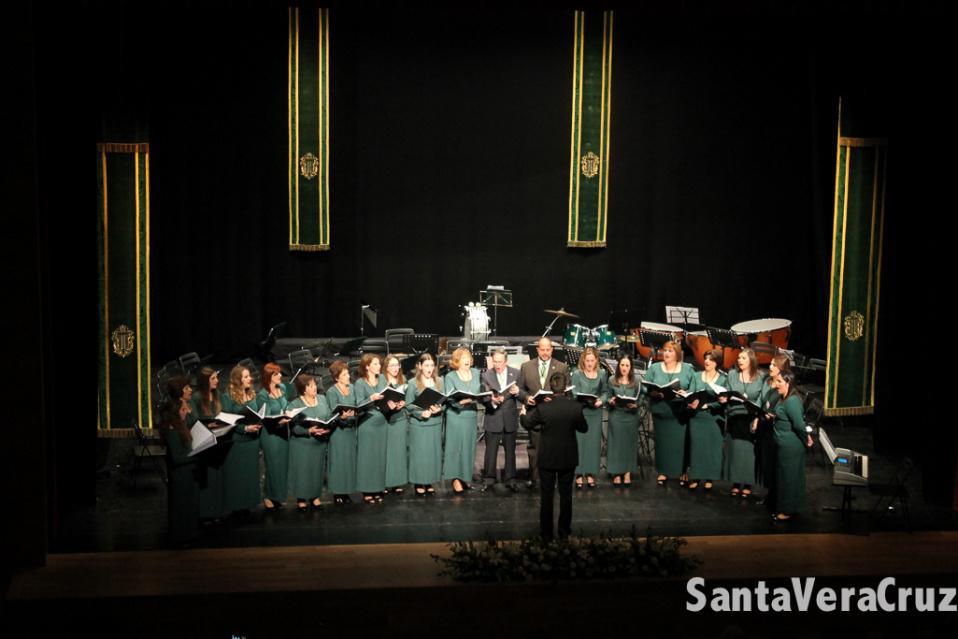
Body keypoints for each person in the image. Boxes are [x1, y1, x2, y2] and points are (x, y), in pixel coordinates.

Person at [520, 371, 588, 539]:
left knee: (547, 497)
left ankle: (546, 534)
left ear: (551, 387)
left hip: (548, 458)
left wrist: (522, 412)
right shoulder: (575, 407)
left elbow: (528, 423)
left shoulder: (543, 408)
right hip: (567, 457)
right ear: (566, 387)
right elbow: (583, 428)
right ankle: (564, 532)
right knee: (566, 496)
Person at [518, 337, 569, 488]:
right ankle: (534, 478)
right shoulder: (526, 366)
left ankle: (552, 480)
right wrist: (526, 398)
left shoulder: (561, 367)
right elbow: (520, 389)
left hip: (554, 415)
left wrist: (556, 398)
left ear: (552, 350)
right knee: (535, 447)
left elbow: (567, 391)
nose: (545, 352)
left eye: (548, 349)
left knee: (554, 448)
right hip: (535, 413)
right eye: (542, 349)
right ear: (538, 349)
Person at [642, 340, 695, 486]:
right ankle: (663, 471)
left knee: (680, 443)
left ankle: (682, 471)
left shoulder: (687, 368)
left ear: (677, 354)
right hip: (661, 411)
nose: (666, 353)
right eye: (665, 350)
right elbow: (645, 387)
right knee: (662, 444)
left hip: (679, 412)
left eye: (670, 351)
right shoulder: (655, 368)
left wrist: (686, 392)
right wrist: (652, 392)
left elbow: (694, 387)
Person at [160, 376, 199, 547]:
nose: (186, 412)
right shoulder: (172, 429)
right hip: (180, 474)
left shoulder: (180, 426)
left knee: (188, 505)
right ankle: (179, 537)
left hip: (188, 472)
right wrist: (196, 454)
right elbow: (177, 457)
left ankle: (189, 535)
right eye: (183, 410)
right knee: (180, 507)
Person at [722, 348, 766, 498]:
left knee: (748, 453)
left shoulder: (760, 377)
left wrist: (757, 417)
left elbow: (762, 397)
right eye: (739, 358)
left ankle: (747, 483)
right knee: (735, 451)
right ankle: (735, 482)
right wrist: (724, 398)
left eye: (744, 358)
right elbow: (727, 392)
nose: (740, 360)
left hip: (750, 417)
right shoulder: (732, 375)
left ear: (751, 361)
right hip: (735, 416)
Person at [770, 370, 813, 521]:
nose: (776, 385)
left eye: (779, 382)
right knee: (783, 477)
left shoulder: (792, 401)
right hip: (783, 445)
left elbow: (799, 425)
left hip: (791, 447)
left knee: (789, 478)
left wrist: (806, 438)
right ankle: (785, 506)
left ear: (788, 383)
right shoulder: (783, 398)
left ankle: (787, 510)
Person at [219, 365, 263, 515]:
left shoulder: (252, 394)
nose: (249, 379)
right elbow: (227, 419)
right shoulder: (228, 396)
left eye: (249, 376)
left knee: (250, 475)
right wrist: (244, 429)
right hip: (237, 441)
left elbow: (256, 413)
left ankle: (247, 505)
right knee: (237, 476)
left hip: (252, 441)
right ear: (238, 379)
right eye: (245, 377)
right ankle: (236, 506)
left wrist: (257, 424)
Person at [287, 373, 332, 512]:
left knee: (316, 471)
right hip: (303, 444)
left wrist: (327, 427)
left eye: (314, 385)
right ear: (304, 389)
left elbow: (329, 416)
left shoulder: (322, 399)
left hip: (319, 443)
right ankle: (301, 499)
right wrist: (309, 431)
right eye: (311, 386)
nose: (315, 388)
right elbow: (293, 427)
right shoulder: (295, 404)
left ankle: (314, 496)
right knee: (303, 471)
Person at [684, 350, 727, 492]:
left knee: (711, 449)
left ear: (717, 362)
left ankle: (709, 477)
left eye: (711, 359)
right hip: (697, 417)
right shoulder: (696, 376)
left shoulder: (723, 379)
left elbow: (724, 401)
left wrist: (709, 405)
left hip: (714, 417)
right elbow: (691, 392)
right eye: (706, 359)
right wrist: (691, 401)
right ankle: (696, 476)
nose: (707, 362)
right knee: (697, 448)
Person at [190, 366, 228, 523]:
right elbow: (194, 420)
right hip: (204, 442)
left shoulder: (218, 395)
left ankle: (216, 510)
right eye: (213, 379)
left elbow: (224, 413)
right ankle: (205, 513)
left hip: (218, 441)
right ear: (205, 381)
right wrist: (208, 425)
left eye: (216, 378)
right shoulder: (197, 397)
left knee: (216, 477)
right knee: (206, 478)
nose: (217, 381)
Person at [480, 348, 521, 491]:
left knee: (511, 451)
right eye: (495, 362)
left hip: (509, 417)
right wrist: (492, 401)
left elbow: (522, 394)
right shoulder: (486, 375)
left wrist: (518, 392)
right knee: (490, 450)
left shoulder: (515, 373)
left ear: (506, 361)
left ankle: (511, 479)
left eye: (500, 362)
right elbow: (483, 396)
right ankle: (489, 478)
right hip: (494, 416)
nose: (497, 365)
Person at [755, 353, 793, 506]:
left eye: (774, 365)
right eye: (770, 364)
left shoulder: (785, 387)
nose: (770, 367)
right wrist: (757, 416)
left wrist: (773, 415)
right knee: (765, 462)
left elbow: (783, 407)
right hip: (764, 425)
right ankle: (770, 493)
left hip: (775, 429)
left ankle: (777, 496)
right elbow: (761, 401)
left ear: (782, 369)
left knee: (774, 463)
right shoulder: (766, 381)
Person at [405, 353, 444, 496]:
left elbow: (444, 401)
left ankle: (429, 481)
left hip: (434, 423)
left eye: (432, 365)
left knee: (431, 454)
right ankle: (418, 482)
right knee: (420, 454)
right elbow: (408, 405)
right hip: (419, 424)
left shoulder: (440, 381)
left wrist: (439, 408)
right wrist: (421, 413)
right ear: (420, 366)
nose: (429, 368)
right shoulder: (412, 383)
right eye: (426, 365)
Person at [443, 348, 480, 494]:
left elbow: (481, 390)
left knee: (468, 448)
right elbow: (449, 398)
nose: (467, 360)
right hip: (456, 416)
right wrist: (461, 402)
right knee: (455, 448)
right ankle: (455, 479)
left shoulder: (476, 373)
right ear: (456, 361)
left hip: (471, 415)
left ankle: (465, 477)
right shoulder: (450, 376)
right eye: (463, 357)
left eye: (468, 357)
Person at [256, 362, 292, 511]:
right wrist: (281, 419)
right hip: (270, 434)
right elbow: (267, 416)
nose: (280, 376)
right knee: (272, 466)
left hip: (283, 431)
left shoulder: (282, 388)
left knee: (282, 466)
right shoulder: (263, 395)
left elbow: (286, 406)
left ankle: (278, 495)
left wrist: (289, 413)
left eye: (279, 373)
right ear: (268, 377)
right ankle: (268, 495)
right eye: (276, 374)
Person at [571, 346, 607, 488]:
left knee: (593, 444)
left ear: (596, 360)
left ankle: (591, 473)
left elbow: (605, 392)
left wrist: (601, 401)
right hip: (582, 412)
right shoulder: (577, 374)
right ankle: (579, 473)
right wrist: (582, 400)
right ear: (583, 361)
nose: (590, 363)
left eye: (592, 360)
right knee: (580, 443)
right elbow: (574, 394)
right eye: (587, 360)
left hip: (595, 412)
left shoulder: (602, 373)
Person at [355, 354, 389, 504]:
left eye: (379, 364)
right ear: (367, 366)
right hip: (367, 425)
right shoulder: (360, 383)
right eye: (375, 364)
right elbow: (358, 404)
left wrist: (392, 403)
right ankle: (367, 490)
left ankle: (378, 487)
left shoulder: (382, 379)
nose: (379, 366)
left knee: (379, 457)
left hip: (382, 423)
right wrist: (371, 399)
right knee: (368, 459)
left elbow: (387, 396)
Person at [326, 360, 359, 504]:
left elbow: (358, 404)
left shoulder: (352, 387)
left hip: (351, 430)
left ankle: (346, 491)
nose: (348, 376)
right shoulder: (331, 392)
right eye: (344, 374)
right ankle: (338, 493)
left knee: (348, 461)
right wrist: (342, 417)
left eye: (347, 373)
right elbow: (332, 413)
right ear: (336, 377)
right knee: (339, 462)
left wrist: (356, 412)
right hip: (339, 432)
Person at [606, 354, 640, 486]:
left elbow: (641, 397)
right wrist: (611, 401)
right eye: (622, 365)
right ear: (618, 366)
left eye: (627, 365)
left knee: (628, 445)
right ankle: (616, 472)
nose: (624, 368)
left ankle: (627, 472)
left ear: (630, 367)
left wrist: (636, 404)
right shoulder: (611, 380)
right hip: (617, 415)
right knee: (617, 445)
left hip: (630, 416)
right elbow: (608, 396)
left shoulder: (636, 381)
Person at [382, 355, 409, 494]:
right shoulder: (382, 382)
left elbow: (408, 399)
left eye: (397, 365)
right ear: (386, 367)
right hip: (388, 420)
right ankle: (386, 482)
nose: (395, 368)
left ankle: (398, 482)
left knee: (399, 452)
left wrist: (404, 403)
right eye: (392, 365)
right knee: (388, 452)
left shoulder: (403, 381)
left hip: (400, 419)